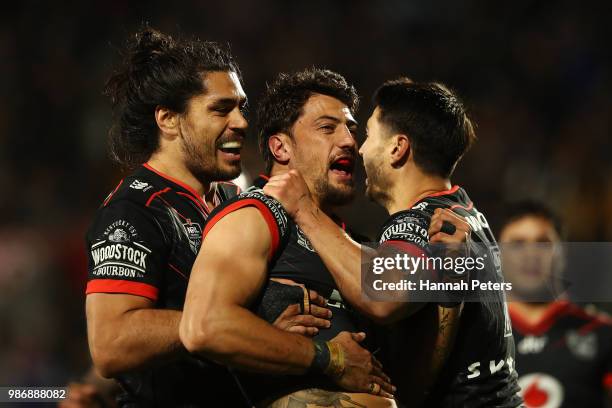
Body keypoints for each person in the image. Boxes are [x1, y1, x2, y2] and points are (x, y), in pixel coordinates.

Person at [84, 28, 331, 407]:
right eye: (220, 109)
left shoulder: (233, 200)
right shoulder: (134, 210)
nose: (241, 122)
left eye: (241, 107)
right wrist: (235, 322)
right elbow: (111, 342)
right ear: (168, 119)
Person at [264, 78, 523, 407]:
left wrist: (305, 211)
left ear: (397, 148)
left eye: (369, 135)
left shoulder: (420, 222)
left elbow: (383, 296)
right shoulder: (466, 211)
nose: (359, 148)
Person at [180, 68, 396, 407]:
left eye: (351, 129)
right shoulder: (255, 215)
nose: (349, 141)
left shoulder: (351, 240)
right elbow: (204, 326)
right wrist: (330, 358)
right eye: (328, 128)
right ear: (281, 147)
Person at [499, 200, 612, 408]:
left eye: (543, 243)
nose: (530, 254)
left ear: (563, 253)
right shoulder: (473, 335)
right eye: (517, 244)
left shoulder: (602, 333)